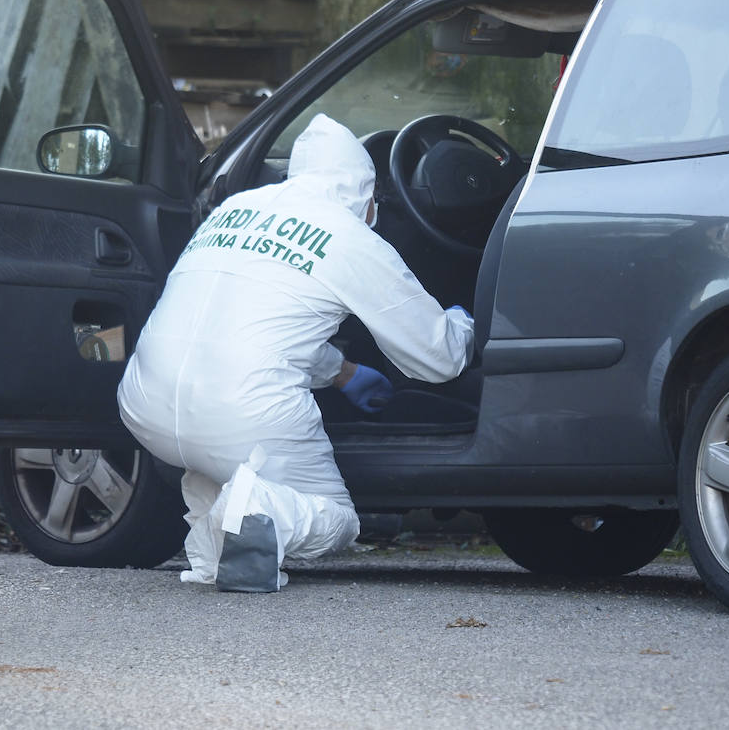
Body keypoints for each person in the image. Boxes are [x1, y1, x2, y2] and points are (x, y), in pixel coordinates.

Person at [117, 113, 474, 592]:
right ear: (365, 194)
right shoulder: (351, 237)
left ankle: (218, 547)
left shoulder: (234, 208)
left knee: (226, 464)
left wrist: (343, 372)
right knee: (337, 520)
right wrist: (466, 319)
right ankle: (254, 512)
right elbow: (439, 359)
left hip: (144, 408)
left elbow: (248, 322)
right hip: (242, 414)